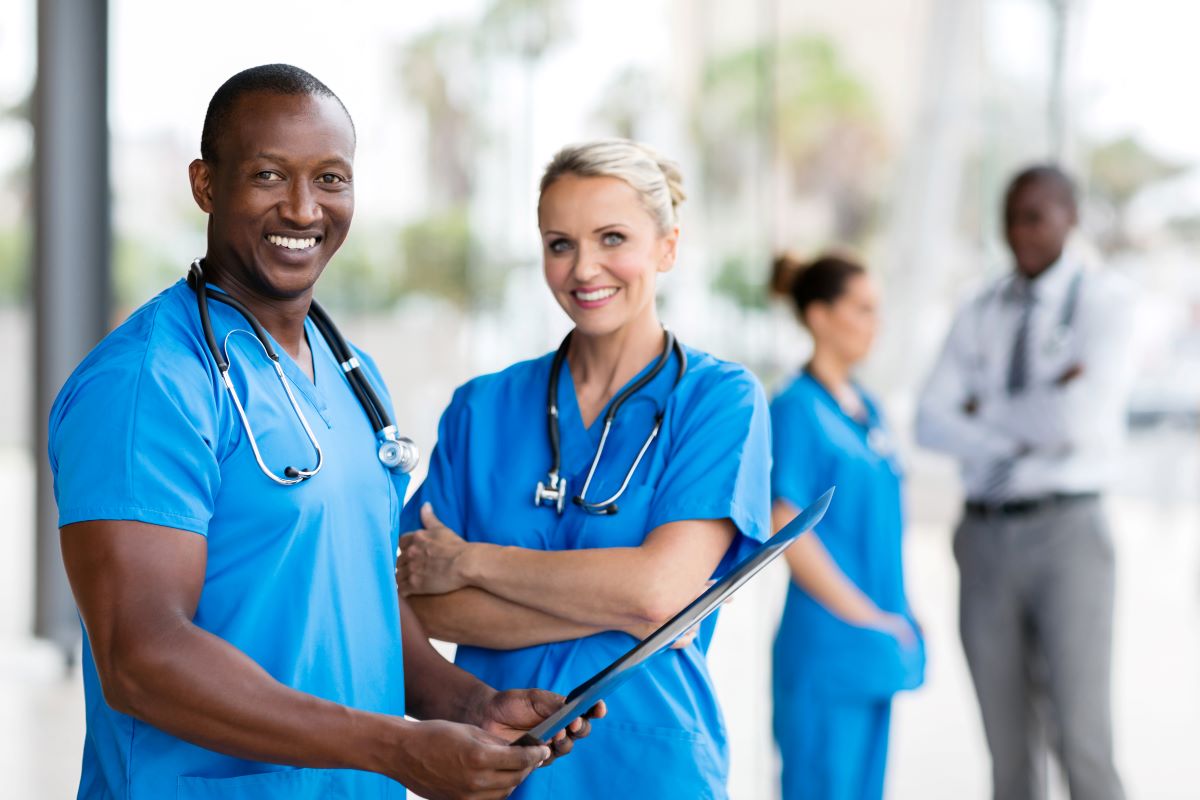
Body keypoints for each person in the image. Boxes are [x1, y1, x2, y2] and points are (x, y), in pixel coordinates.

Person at [48, 64, 599, 800]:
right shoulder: (149, 383)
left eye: (331, 179)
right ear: (206, 185)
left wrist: (461, 703)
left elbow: (356, 588)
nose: (303, 208)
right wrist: (396, 746)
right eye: (269, 176)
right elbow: (141, 656)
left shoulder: (351, 372)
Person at [393, 138, 773, 799]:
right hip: (499, 763)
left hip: (649, 764)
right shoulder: (481, 409)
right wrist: (637, 614)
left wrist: (474, 562)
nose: (583, 268)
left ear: (667, 247)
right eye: (559, 243)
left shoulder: (717, 399)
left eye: (613, 238)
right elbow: (419, 604)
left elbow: (658, 590)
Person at [916, 165, 1132, 800]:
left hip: (1067, 534)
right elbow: (930, 418)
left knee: (1083, 739)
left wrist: (981, 414)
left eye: (1035, 216)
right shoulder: (979, 308)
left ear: (1071, 217)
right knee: (1007, 749)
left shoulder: (1104, 302)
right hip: (983, 536)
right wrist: (1030, 420)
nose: (1019, 232)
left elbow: (1077, 418)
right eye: (1010, 217)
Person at [768, 254, 925, 800]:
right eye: (862, 309)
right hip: (829, 644)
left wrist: (895, 614)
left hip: (875, 640)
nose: (874, 324)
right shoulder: (795, 409)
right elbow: (784, 522)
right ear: (818, 315)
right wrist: (866, 616)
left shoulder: (868, 409)